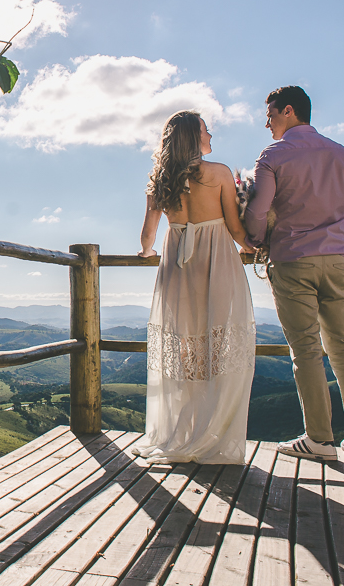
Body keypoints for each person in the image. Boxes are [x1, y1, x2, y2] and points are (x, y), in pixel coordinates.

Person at [244, 86, 344, 461]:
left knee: (305, 349)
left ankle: (320, 439)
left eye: (269, 114)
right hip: (336, 260)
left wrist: (256, 242)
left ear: (288, 111)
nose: (266, 122)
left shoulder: (274, 155)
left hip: (291, 259)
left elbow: (257, 211)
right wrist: (332, 235)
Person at [131, 111, 256, 465]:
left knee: (186, 348)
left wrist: (147, 253)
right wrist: (254, 245)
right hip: (215, 260)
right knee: (219, 342)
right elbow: (235, 228)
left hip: (176, 264)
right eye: (205, 129)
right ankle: (211, 430)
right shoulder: (218, 173)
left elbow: (146, 236)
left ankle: (182, 429)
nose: (210, 134)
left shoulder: (160, 179)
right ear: (192, 136)